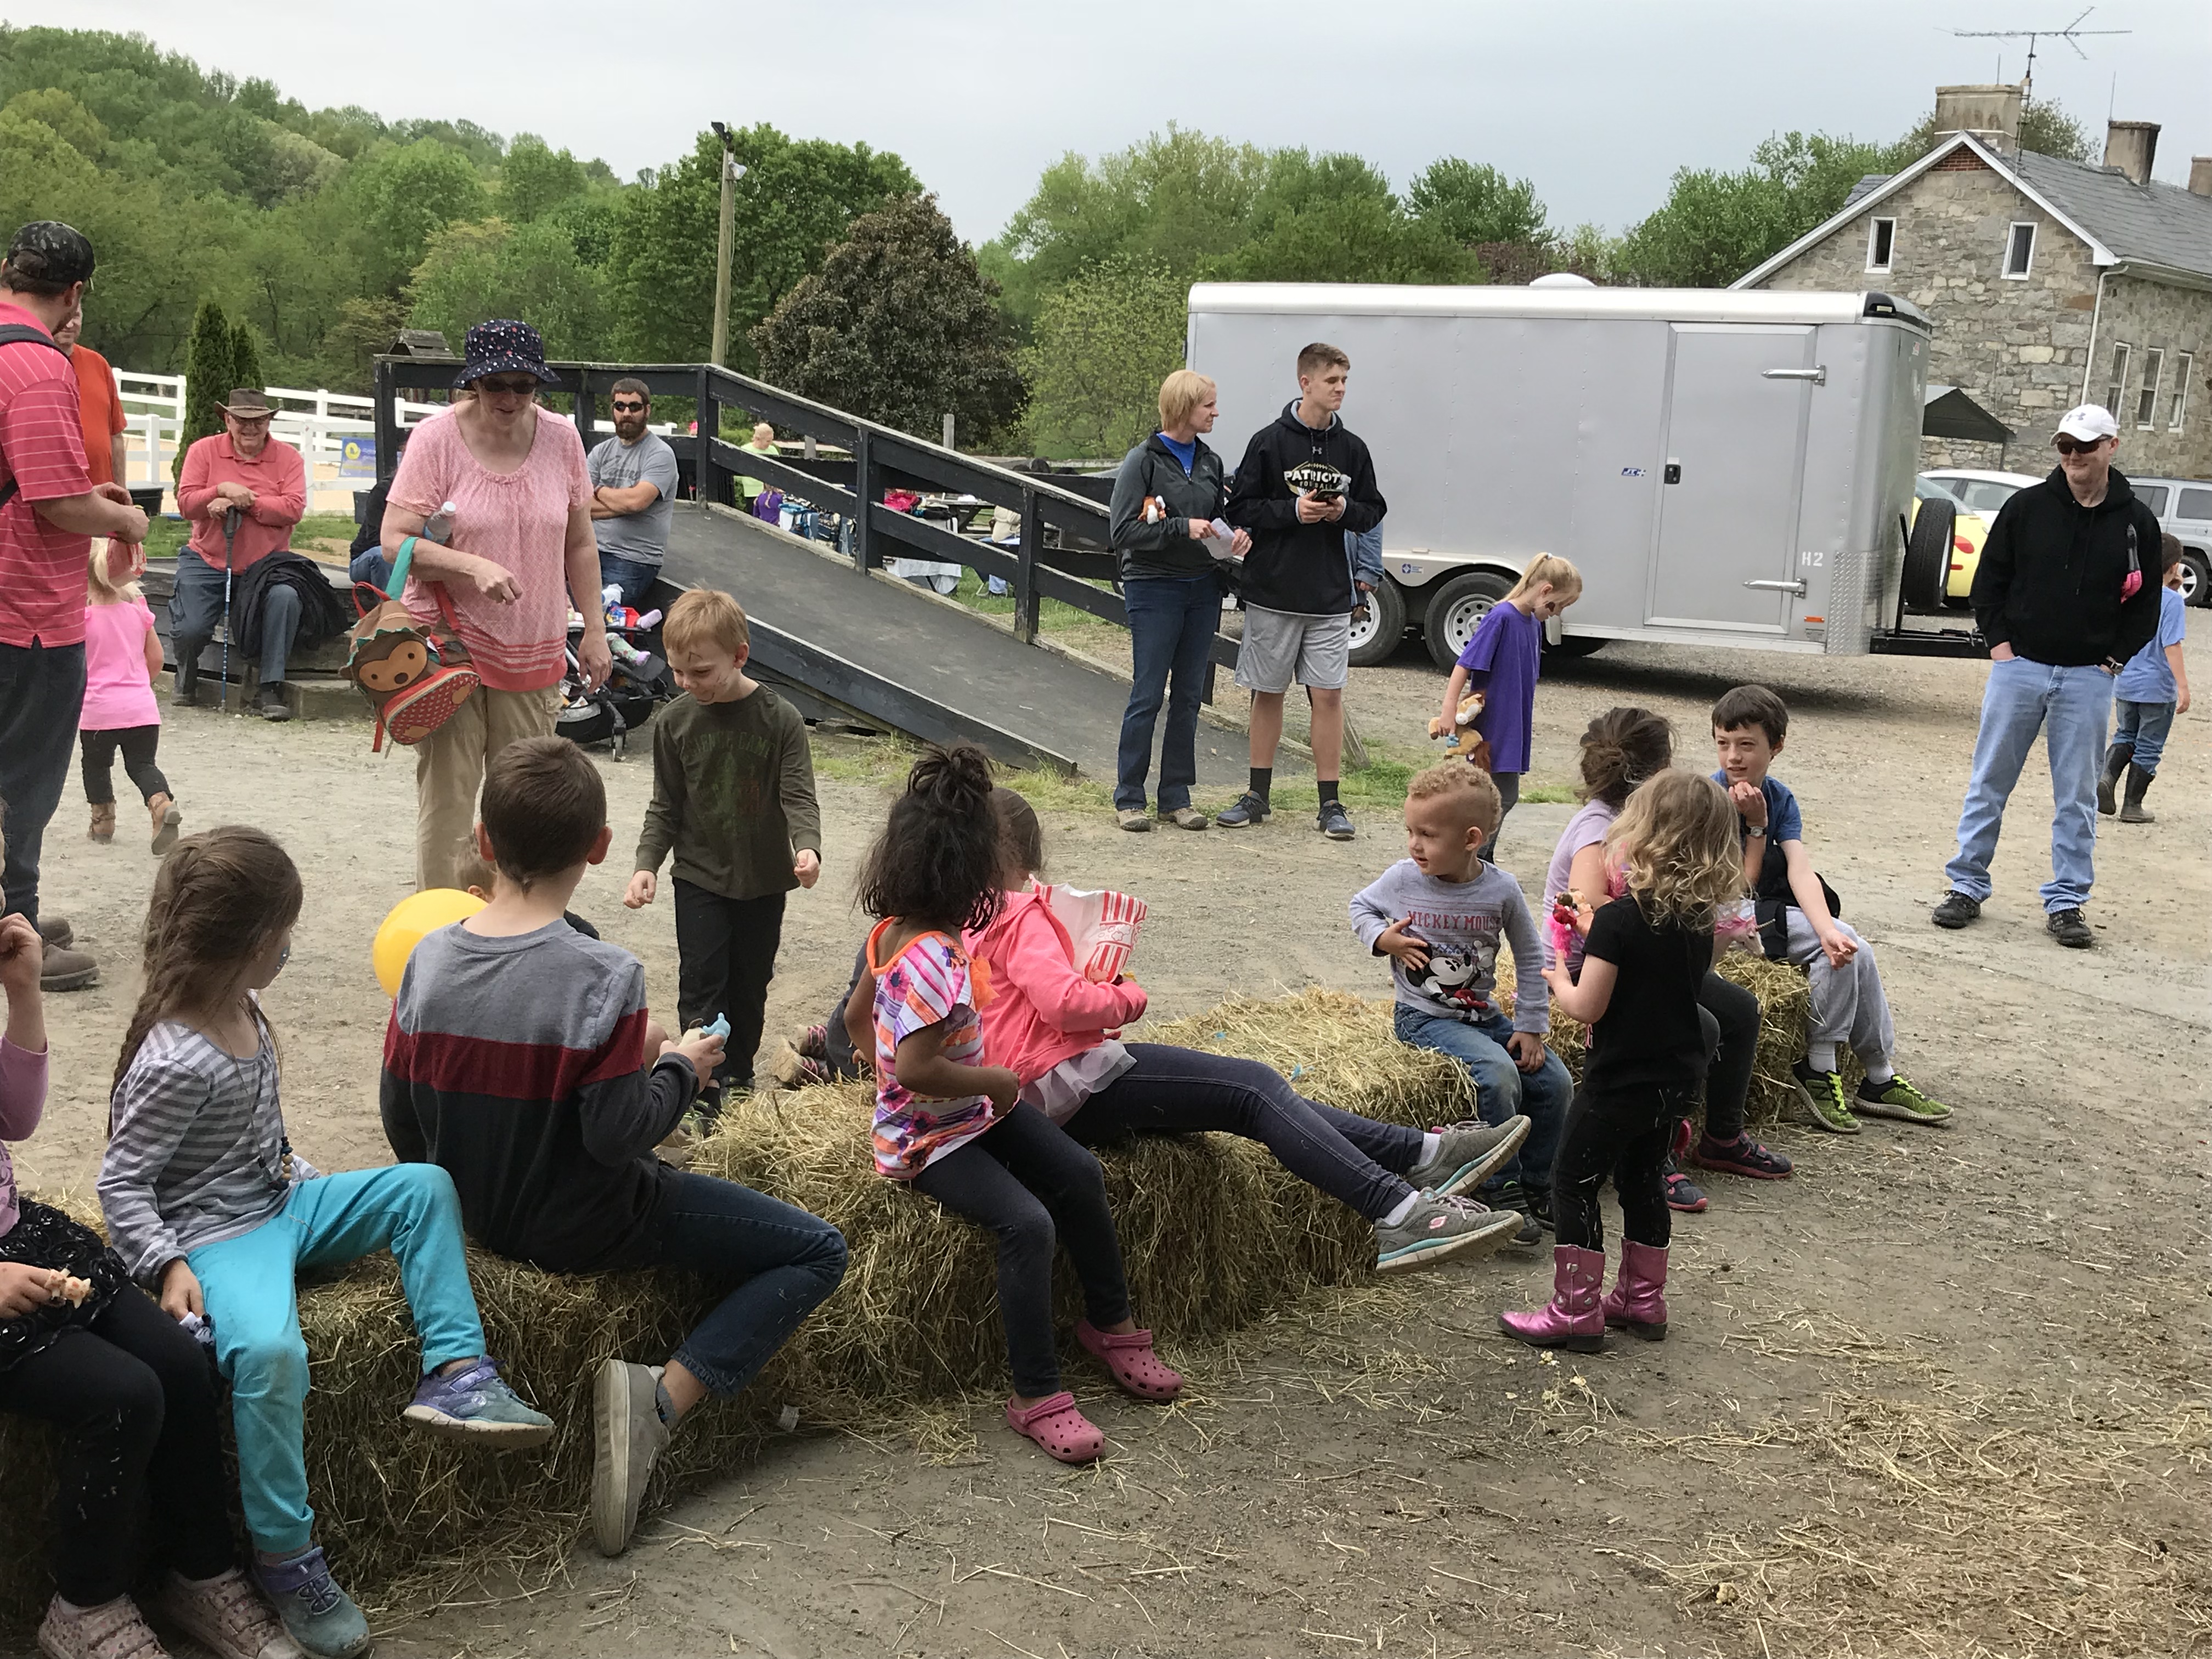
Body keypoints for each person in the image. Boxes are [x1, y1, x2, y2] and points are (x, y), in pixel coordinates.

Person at [382, 736, 847, 1559]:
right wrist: (679, 1071)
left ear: (484, 843)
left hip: (475, 1223)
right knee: (818, 1250)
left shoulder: (425, 960)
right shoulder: (605, 975)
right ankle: (659, 1402)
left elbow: (401, 1117)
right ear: (599, 849)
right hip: (589, 1224)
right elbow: (618, 1134)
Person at [99, 826, 553, 1659]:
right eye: (284, 936)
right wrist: (165, 1263)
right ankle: (287, 1559)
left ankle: (458, 1372)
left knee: (424, 1186)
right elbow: (121, 1183)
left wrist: (305, 1176)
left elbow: (262, 1140)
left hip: (282, 1203)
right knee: (271, 1355)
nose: (290, 949)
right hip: (220, 1237)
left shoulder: (246, 1003)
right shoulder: (173, 1058)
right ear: (250, 946)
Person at [972, 786, 1528, 1267]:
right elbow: (1065, 1004)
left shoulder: (948, 916)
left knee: (1258, 1092)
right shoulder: (1018, 911)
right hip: (1059, 1087)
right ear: (1026, 854)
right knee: (1252, 1090)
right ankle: (1401, 1211)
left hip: (1024, 1097)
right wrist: (1124, 995)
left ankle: (1425, 1154)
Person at [0, 822, 300, 1659]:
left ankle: (198, 1573)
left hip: (17, 1235)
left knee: (175, 1359)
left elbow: (13, 1120)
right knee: (122, 1395)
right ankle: (83, 1603)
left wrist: (22, 995)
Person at [842, 745, 1181, 1465]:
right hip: (931, 1138)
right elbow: (916, 1067)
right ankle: (1036, 1394)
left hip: (968, 1113)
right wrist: (993, 1083)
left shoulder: (891, 929)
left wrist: (862, 1052)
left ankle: (1110, 1325)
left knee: (1079, 1175)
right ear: (969, 876)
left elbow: (855, 1016)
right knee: (1027, 1224)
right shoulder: (935, 954)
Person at [1503, 771, 1744, 1351]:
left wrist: (1560, 977)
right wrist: (1598, 929)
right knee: (1642, 1180)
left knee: (1573, 1179)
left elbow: (1589, 1008)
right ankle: (1641, 1300)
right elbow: (1656, 968)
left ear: (1642, 837)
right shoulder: (1697, 923)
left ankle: (1575, 1310)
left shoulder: (1618, 921)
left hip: (1618, 1082)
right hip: (1672, 1081)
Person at [380, 319, 611, 893]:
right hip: (449, 649)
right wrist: (471, 565)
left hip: (533, 647)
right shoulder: (436, 441)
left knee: (526, 807)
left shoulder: (563, 441)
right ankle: (440, 931)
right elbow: (393, 540)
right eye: (494, 385)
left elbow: (579, 542)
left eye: (523, 385)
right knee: (450, 803)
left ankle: (512, 928)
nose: (509, 397)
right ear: (472, 386)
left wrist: (596, 629)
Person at [1932, 404, 2164, 950]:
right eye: (2065, 447)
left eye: (2085, 446)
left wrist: (2112, 663)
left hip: (2089, 678)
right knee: (1989, 782)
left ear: (2112, 446)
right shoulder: (2026, 508)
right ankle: (1966, 886)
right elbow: (1990, 582)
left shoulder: (2138, 523)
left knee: (2078, 795)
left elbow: (2146, 604)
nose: (2074, 457)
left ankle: (2066, 902)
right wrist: (2003, 650)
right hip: (2021, 670)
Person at [1541, 708, 1791, 1208]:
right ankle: (1656, 1155)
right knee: (1699, 1026)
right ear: (1658, 768)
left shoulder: (1650, 817)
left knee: (1740, 1010)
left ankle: (1721, 1137)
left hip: (1642, 954)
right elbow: (1589, 913)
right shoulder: (1597, 829)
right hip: (1594, 965)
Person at [0, 220, 150, 995]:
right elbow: (56, 502)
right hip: (24, 609)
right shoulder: (36, 365)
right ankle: (15, 929)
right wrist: (124, 519)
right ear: (75, 292)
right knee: (24, 780)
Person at [1350, 761, 1573, 1244]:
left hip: (1482, 1015)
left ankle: (1538, 1183)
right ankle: (1501, 1187)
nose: (1414, 844)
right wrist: (1381, 940)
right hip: (1424, 1017)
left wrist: (1532, 1026)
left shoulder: (1501, 889)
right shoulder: (1401, 879)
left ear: (1472, 839)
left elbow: (1533, 954)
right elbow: (1359, 907)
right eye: (1410, 831)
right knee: (1498, 1075)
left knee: (1556, 1082)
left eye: (1427, 835)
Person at [1712, 685, 1950, 1136]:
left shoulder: (1780, 796)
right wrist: (1754, 825)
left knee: (1847, 943)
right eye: (1723, 743)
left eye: (1747, 745)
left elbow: (1801, 870)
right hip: (1727, 919)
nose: (1733, 757)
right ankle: (1821, 1066)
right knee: (1841, 944)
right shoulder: (1709, 796)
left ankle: (1877, 1072)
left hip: (1766, 911)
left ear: (1776, 746)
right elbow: (1735, 887)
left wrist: (1825, 930)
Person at [624, 589, 821, 1106]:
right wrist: (648, 863)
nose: (688, 684)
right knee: (702, 984)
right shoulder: (675, 722)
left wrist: (807, 847)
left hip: (763, 881)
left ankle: (738, 1077)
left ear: (739, 655)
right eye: (678, 673)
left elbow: (798, 793)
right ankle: (701, 1088)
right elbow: (665, 805)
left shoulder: (781, 720)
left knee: (750, 984)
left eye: (701, 672)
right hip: (698, 877)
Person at [1218, 342, 1385, 841]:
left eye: (1345, 381)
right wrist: (1291, 513)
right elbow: (1241, 509)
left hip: (1330, 594)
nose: (1340, 389)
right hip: (1274, 590)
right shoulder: (1269, 442)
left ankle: (1330, 803)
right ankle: (1257, 795)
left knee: (1328, 695)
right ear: (1305, 382)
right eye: (1333, 380)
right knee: (1267, 692)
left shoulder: (1353, 448)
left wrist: (1342, 513)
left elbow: (1373, 509)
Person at [1107, 370, 1249, 833]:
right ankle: (1130, 796)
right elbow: (1123, 531)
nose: (1216, 412)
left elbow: (1218, 518)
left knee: (1189, 696)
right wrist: (1179, 527)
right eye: (1208, 404)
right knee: (1147, 693)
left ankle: (1176, 796)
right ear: (1185, 407)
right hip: (1153, 588)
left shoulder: (1210, 461)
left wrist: (1235, 537)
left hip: (1202, 588)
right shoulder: (1142, 461)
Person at [1437, 554, 1583, 861]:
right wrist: (1449, 710)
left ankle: (1479, 856)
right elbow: (1464, 665)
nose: (1556, 614)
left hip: (1513, 721)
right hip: (1494, 725)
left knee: (1501, 795)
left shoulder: (1532, 624)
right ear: (1545, 591)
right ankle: (1474, 857)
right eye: (1557, 606)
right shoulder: (1501, 617)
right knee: (1497, 796)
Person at [173, 389, 307, 722]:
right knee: (190, 627)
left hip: (267, 564)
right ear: (228, 419)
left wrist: (245, 502)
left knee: (286, 598)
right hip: (207, 558)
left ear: (269, 421)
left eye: (259, 420)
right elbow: (187, 503)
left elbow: (293, 508)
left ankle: (269, 687)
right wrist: (219, 492)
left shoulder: (289, 458)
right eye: (242, 420)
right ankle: (186, 676)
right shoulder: (202, 451)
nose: (250, 427)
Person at [78, 539, 182, 855]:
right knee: (142, 764)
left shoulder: (81, 616)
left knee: (96, 765)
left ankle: (103, 819)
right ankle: (161, 803)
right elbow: (156, 657)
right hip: (141, 708)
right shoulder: (139, 610)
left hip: (97, 710)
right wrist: (139, 686)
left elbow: (73, 666)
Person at [2099, 532, 2190, 825]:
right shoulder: (2172, 601)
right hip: (2157, 688)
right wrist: (2183, 687)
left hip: (2126, 680)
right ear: (2175, 566)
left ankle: (2106, 777)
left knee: (2125, 734)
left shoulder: (2132, 593)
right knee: (2150, 745)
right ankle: (2132, 806)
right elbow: (2171, 645)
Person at [588, 377, 679, 607]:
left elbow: (637, 502)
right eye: (620, 406)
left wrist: (599, 491)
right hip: (590, 549)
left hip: (633, 558)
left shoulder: (660, 454)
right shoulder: (600, 452)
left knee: (601, 615)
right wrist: (623, 504)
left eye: (634, 407)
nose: (627, 413)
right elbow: (578, 504)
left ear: (647, 410)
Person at [54, 311, 127, 489]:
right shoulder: (33, 362)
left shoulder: (98, 363)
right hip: (57, 497)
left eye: (76, 317)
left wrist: (122, 489)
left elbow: (116, 436)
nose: (70, 324)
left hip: (103, 495)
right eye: (65, 317)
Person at [735, 421, 778, 507]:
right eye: (768, 441)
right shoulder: (745, 450)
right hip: (752, 492)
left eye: (771, 440)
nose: (770, 443)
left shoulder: (773, 450)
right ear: (758, 439)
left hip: (771, 493)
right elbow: (736, 472)